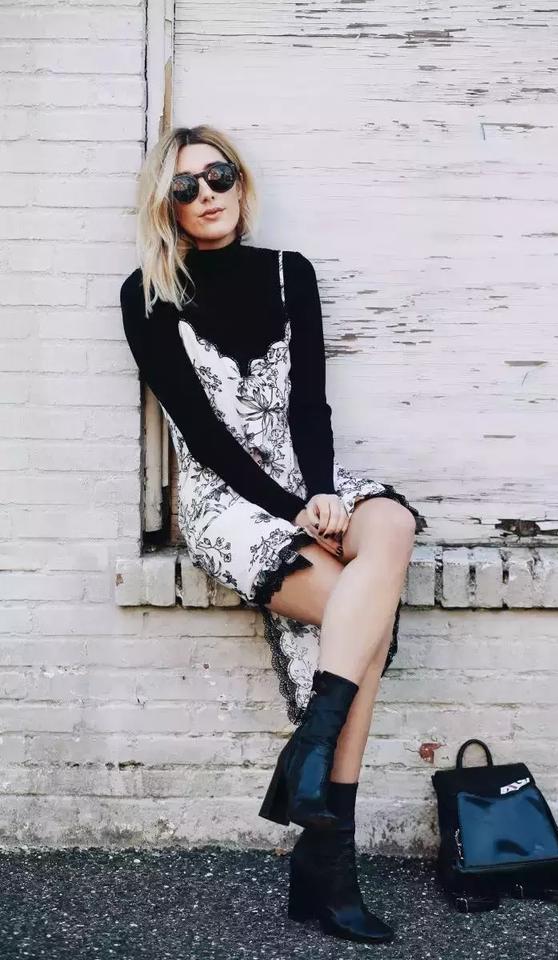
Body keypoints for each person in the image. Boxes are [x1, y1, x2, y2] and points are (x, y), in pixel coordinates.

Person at [120, 124, 427, 944]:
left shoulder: (292, 273)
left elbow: (309, 405)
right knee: (367, 619)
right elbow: (202, 437)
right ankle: (328, 868)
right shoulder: (147, 294)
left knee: (391, 523)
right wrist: (293, 512)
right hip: (227, 501)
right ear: (167, 205)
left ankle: (310, 751)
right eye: (185, 186)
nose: (206, 194)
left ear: (240, 182)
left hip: (306, 481)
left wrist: (322, 490)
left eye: (217, 175)